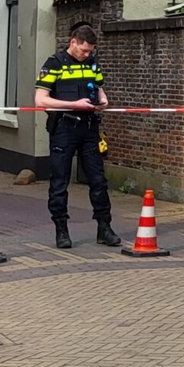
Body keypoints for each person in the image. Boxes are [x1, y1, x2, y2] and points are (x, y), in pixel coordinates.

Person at [34, 24, 120, 249]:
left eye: (90, 51)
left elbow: (99, 88)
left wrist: (103, 100)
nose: (87, 54)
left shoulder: (91, 63)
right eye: (84, 50)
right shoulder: (55, 63)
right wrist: (74, 104)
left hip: (89, 127)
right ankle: (61, 230)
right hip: (64, 127)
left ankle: (104, 227)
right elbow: (40, 100)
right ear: (73, 42)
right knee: (60, 181)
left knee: (98, 180)